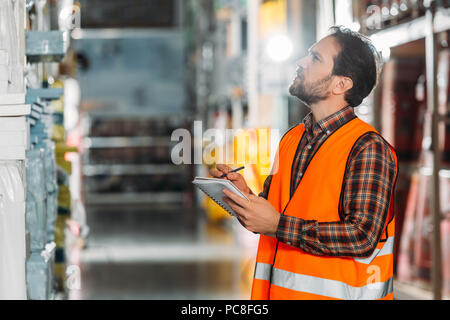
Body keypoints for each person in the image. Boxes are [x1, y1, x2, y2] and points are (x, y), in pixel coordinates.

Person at [209, 26, 398, 300]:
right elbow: (276, 215)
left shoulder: (367, 148)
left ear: (341, 84)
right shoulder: (292, 139)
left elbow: (362, 236)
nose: (300, 62)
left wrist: (277, 225)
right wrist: (245, 197)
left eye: (315, 58)